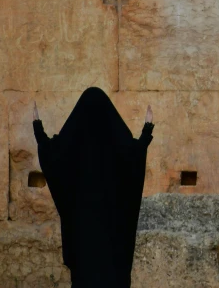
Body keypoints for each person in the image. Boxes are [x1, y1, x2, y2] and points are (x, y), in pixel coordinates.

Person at [32, 86, 155, 288]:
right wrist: (147, 130)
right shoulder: (117, 145)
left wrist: (38, 127)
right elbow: (133, 156)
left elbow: (53, 156)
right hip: (113, 243)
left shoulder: (73, 145)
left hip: (83, 238)